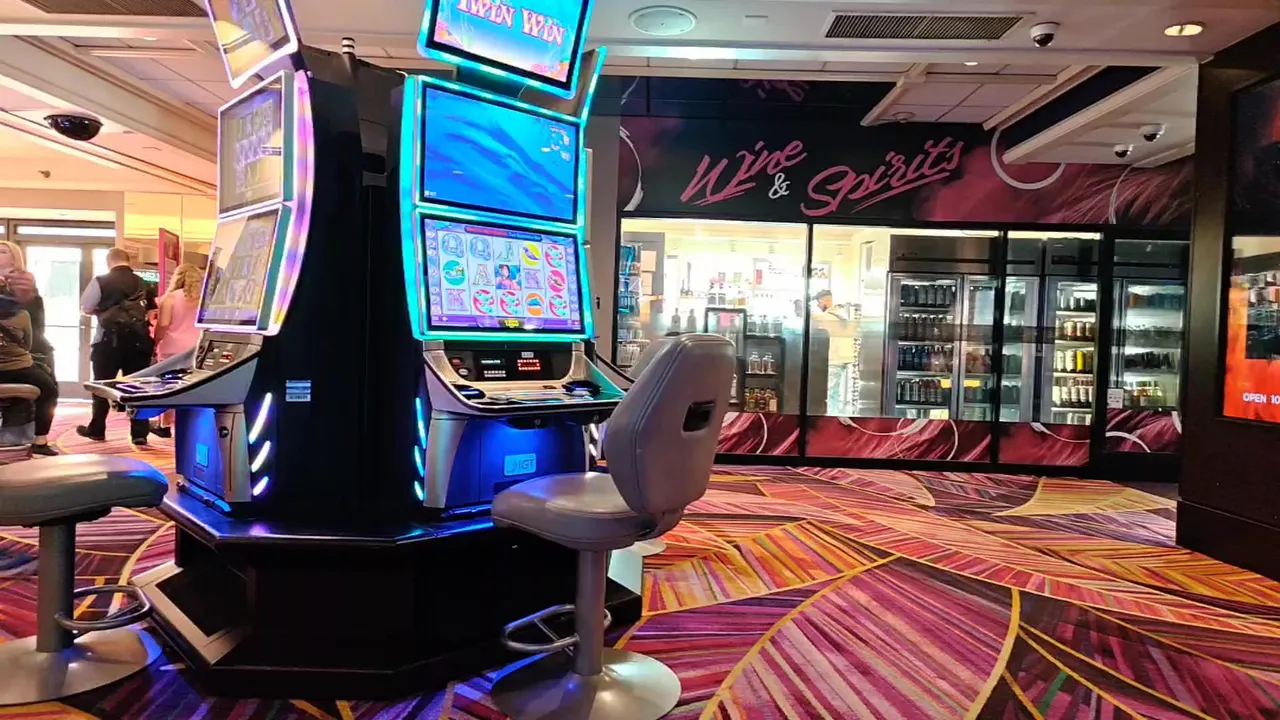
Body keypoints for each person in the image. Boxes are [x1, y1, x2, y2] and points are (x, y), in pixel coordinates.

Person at [77, 248, 156, 445]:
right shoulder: (143, 282)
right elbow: (152, 311)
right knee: (138, 387)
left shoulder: (101, 281)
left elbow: (85, 308)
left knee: (101, 386)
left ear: (108, 262)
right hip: (138, 343)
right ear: (128, 261)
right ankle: (139, 433)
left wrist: (103, 311)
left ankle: (97, 429)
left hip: (107, 342)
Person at [0, 287, 59, 456]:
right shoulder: (22, 315)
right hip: (21, 368)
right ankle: (40, 442)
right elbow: (28, 345)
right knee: (49, 392)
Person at [149, 263, 203, 438]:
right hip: (196, 348)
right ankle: (189, 423)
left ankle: (165, 425)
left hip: (171, 348)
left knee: (168, 387)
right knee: (191, 386)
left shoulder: (170, 298)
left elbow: (163, 324)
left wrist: (155, 341)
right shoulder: (204, 299)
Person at [811, 290, 860, 416]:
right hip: (845, 358)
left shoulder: (825, 317)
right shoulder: (843, 316)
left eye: (819, 302)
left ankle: (831, 416)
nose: (818, 306)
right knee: (836, 391)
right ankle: (836, 414)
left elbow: (806, 321)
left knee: (829, 392)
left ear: (825, 301)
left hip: (833, 358)